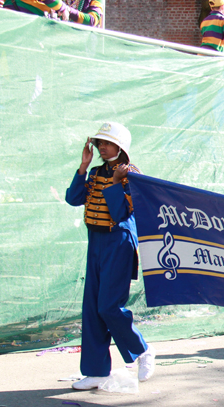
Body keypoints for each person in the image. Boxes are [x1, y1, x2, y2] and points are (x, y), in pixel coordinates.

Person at [64, 122, 156, 390]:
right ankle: (96, 371)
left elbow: (121, 214)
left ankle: (143, 351)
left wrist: (116, 183)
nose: (101, 147)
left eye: (106, 143)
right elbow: (73, 198)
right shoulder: (93, 173)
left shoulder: (132, 174)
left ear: (120, 146)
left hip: (118, 243)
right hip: (95, 242)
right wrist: (83, 167)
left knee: (109, 307)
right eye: (98, 143)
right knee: (92, 309)